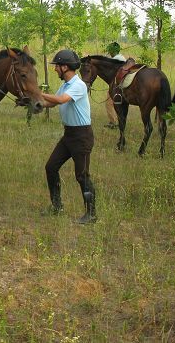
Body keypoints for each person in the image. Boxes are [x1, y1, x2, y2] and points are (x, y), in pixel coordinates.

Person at [40, 49, 97, 224]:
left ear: (65, 67)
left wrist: (37, 93)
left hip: (82, 136)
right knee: (51, 167)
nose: (55, 69)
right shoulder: (65, 85)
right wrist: (32, 102)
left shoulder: (78, 85)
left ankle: (91, 213)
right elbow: (51, 102)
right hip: (69, 135)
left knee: (82, 175)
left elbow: (61, 100)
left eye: (57, 66)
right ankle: (57, 206)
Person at [104, 42, 126, 129]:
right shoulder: (121, 57)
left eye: (110, 50)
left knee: (109, 103)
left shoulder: (116, 59)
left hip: (116, 86)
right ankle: (115, 121)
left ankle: (113, 122)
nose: (109, 52)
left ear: (112, 50)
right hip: (120, 85)